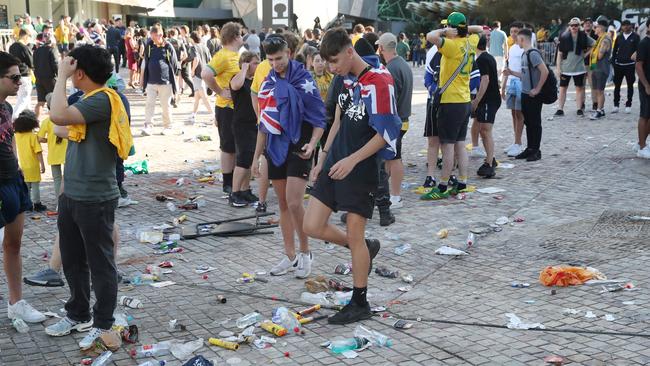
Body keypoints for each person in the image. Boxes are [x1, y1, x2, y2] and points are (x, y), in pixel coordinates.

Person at [303, 30, 400, 324]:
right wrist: (323, 157)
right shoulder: (344, 79)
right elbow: (340, 119)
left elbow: (387, 134)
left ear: (349, 51)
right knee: (311, 225)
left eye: (334, 61)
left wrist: (352, 159)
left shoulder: (380, 81)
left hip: (360, 170)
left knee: (356, 236)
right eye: (327, 63)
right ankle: (362, 249)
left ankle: (360, 301)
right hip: (335, 162)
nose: (332, 68)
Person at [45, 45, 132, 349]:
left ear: (78, 72)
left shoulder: (104, 100)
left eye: (71, 70)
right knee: (72, 260)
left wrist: (59, 77)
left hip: (96, 198)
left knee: (100, 264)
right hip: (73, 194)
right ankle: (77, 314)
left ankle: (103, 322)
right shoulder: (88, 102)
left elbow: (57, 115)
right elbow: (60, 125)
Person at [252, 35, 325, 278]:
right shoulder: (267, 83)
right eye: (271, 60)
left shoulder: (304, 80)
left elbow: (319, 118)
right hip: (275, 145)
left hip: (301, 143)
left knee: (295, 202)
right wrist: (255, 158)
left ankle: (306, 252)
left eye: (279, 58)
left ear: (290, 54)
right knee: (283, 204)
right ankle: (290, 255)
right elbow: (264, 123)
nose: (275, 64)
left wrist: (314, 144)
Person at [0, 51, 47, 327]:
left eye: (21, 76)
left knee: (13, 244)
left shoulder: (6, 108)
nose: (20, 82)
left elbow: (12, 140)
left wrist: (17, 167)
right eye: (14, 77)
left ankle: (16, 303)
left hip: (13, 182)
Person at [425, 12, 483, 199]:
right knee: (460, 143)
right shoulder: (470, 42)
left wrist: (444, 31)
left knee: (447, 146)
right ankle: (463, 182)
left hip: (450, 102)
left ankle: (442, 186)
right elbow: (480, 29)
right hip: (464, 100)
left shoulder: (450, 46)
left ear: (452, 28)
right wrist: (461, 29)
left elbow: (430, 36)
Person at [202, 22, 244, 196]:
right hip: (226, 108)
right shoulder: (224, 56)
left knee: (237, 146)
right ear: (235, 37)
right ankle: (228, 183)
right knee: (228, 147)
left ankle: (235, 181)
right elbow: (205, 74)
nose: (243, 37)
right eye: (241, 34)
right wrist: (220, 91)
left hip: (238, 109)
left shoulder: (236, 55)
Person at [376, 32, 412, 210]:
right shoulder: (402, 64)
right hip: (403, 119)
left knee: (395, 158)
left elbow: (392, 98)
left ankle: (396, 196)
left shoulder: (391, 68)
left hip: (396, 120)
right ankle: (385, 193)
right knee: (389, 159)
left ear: (381, 48)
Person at [504, 29, 549, 162]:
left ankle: (536, 150)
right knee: (528, 122)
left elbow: (545, 71)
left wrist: (537, 89)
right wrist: (511, 72)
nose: (516, 41)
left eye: (518, 39)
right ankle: (530, 149)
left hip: (533, 95)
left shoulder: (533, 54)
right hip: (525, 93)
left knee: (535, 123)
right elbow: (525, 74)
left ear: (522, 39)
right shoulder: (525, 54)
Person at [228, 51, 261, 206]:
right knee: (242, 159)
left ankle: (245, 190)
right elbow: (236, 86)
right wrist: (243, 69)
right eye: (255, 63)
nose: (258, 65)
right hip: (241, 125)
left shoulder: (254, 81)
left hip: (253, 124)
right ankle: (234, 193)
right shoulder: (237, 78)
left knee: (249, 159)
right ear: (246, 64)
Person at [141, 25, 178, 136]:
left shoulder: (168, 46)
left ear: (160, 35)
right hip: (151, 82)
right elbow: (145, 62)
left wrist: (171, 79)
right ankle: (148, 125)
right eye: (151, 36)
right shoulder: (149, 45)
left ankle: (168, 126)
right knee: (149, 104)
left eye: (154, 37)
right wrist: (143, 80)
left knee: (166, 105)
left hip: (165, 82)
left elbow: (175, 64)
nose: (152, 39)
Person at [473, 36, 501, 178]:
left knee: (485, 130)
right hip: (490, 99)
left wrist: (477, 100)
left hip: (488, 100)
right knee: (480, 128)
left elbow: (485, 80)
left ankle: (489, 163)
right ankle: (490, 157)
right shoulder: (488, 57)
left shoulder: (482, 60)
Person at [555, 17, 594, 117]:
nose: (574, 27)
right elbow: (559, 54)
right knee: (563, 88)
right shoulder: (564, 36)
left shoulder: (583, 36)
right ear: (569, 26)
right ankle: (560, 109)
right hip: (565, 68)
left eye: (576, 25)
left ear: (579, 26)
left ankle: (579, 109)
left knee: (579, 88)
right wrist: (558, 68)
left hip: (579, 68)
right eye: (572, 25)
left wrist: (586, 54)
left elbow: (595, 44)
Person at [13, 111, 46, 211]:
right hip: (33, 165)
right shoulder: (32, 136)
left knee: (26, 186)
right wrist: (42, 165)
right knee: (35, 185)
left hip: (22, 165)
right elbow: (38, 152)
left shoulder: (16, 135)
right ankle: (37, 204)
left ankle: (27, 204)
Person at [501, 22, 524, 157]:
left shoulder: (524, 49)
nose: (513, 34)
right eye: (511, 31)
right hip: (511, 84)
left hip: (520, 84)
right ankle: (516, 141)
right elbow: (508, 68)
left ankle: (518, 143)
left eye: (516, 31)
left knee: (520, 114)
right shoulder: (512, 47)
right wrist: (503, 87)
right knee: (513, 114)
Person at [37, 93, 66, 199]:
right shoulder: (68, 118)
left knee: (57, 179)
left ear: (48, 106)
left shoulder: (46, 122)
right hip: (67, 154)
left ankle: (59, 202)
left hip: (53, 154)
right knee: (68, 178)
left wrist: (48, 140)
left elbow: (39, 138)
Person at [612, 20, 640, 114]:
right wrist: (614, 62)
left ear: (630, 26)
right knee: (617, 86)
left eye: (627, 25)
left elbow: (638, 51)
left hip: (630, 65)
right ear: (622, 27)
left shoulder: (636, 37)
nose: (625, 27)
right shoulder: (619, 37)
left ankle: (628, 104)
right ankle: (616, 105)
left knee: (630, 85)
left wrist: (636, 62)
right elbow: (614, 50)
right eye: (624, 25)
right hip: (619, 65)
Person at [589, 18, 612, 120]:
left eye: (596, 27)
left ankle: (599, 111)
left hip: (602, 69)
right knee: (596, 90)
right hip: (596, 68)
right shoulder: (600, 39)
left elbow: (599, 56)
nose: (594, 29)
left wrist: (593, 52)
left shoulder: (605, 40)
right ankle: (601, 109)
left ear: (601, 27)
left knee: (600, 91)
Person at [188, 31, 213, 125]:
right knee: (197, 96)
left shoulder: (193, 47)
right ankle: (193, 114)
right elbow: (210, 60)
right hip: (205, 73)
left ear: (192, 39)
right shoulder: (205, 47)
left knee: (203, 96)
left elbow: (196, 59)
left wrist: (193, 70)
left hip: (198, 74)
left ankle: (213, 114)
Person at [8, 29, 33, 120]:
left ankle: (30, 119)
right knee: (24, 98)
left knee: (25, 98)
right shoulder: (24, 47)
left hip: (15, 74)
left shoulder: (12, 47)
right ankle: (14, 117)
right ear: (26, 36)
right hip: (24, 74)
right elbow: (31, 61)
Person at [32, 35, 58, 120]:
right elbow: (55, 63)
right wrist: (59, 75)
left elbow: (34, 65)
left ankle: (36, 122)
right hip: (50, 78)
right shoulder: (52, 50)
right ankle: (54, 122)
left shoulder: (36, 51)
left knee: (40, 102)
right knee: (54, 101)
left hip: (39, 78)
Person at [636, 19, 650, 159]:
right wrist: (646, 85)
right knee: (644, 115)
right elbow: (638, 65)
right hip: (646, 85)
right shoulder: (644, 43)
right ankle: (641, 147)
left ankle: (641, 142)